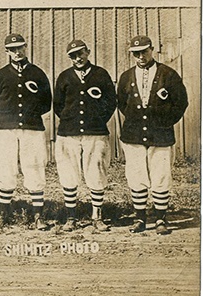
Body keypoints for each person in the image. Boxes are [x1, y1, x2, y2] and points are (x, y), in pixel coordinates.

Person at [116, 35, 188, 235]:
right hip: (133, 135)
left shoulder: (168, 74)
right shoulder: (126, 76)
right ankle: (140, 218)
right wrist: (137, 119)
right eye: (136, 54)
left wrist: (164, 122)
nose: (140, 57)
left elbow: (181, 102)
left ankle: (160, 219)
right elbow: (122, 103)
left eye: (144, 52)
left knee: (160, 175)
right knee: (136, 175)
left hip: (160, 135)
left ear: (152, 50)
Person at [0, 33, 52, 230]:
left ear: (26, 48)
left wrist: (27, 117)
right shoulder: (0, 75)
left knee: (34, 167)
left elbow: (46, 103)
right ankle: (4, 214)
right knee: (6, 167)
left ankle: (38, 216)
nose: (17, 52)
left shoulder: (37, 73)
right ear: (6, 52)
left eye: (20, 48)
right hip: (5, 129)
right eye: (12, 49)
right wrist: (10, 118)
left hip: (32, 128)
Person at [53, 39, 117, 232]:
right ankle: (71, 217)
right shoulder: (64, 77)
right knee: (68, 174)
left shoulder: (101, 74)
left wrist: (97, 120)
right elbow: (58, 105)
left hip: (95, 133)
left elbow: (110, 102)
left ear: (88, 52)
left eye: (81, 53)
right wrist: (70, 120)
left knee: (96, 172)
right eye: (73, 55)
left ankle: (97, 216)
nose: (77, 58)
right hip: (69, 133)